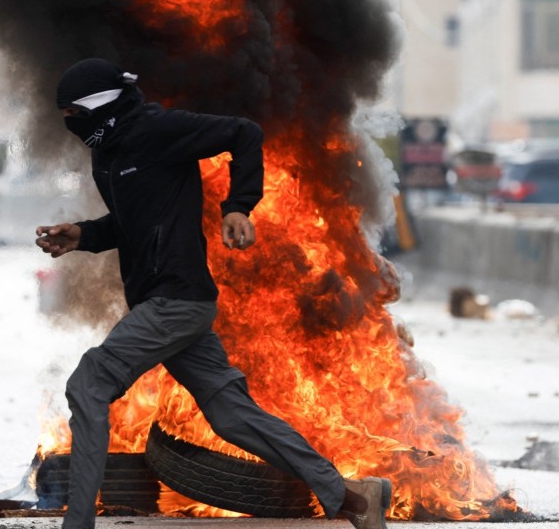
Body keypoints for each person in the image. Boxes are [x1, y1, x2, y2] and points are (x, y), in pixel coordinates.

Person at [36, 58, 391, 529]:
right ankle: (349, 498)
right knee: (230, 415)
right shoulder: (110, 155)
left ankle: (77, 524)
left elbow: (244, 133)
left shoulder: (156, 129)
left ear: (98, 107)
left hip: (175, 301)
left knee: (88, 383)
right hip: (168, 305)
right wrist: (81, 235)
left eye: (74, 116)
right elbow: (132, 223)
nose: (72, 128)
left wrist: (239, 206)